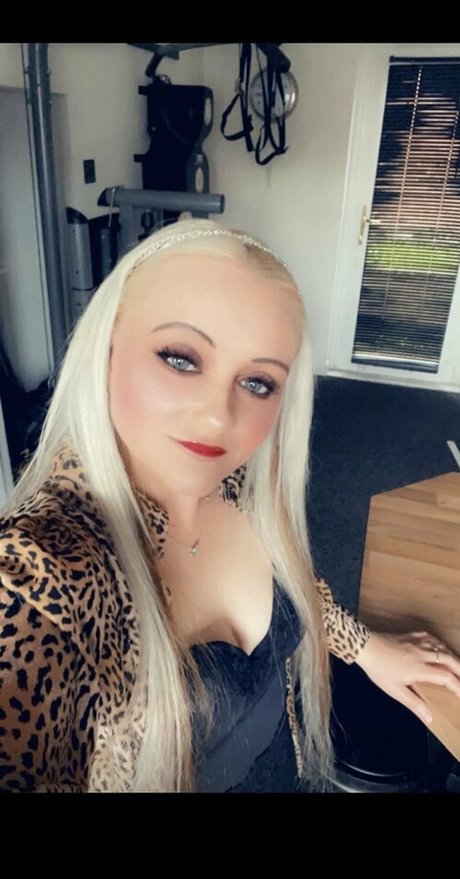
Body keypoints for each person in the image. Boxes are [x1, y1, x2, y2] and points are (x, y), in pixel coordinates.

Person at [1, 218, 459, 793]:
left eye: (258, 383)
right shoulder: (35, 584)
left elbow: (298, 588)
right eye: (180, 358)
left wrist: (367, 650)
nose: (220, 416)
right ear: (107, 348)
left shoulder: (236, 483)